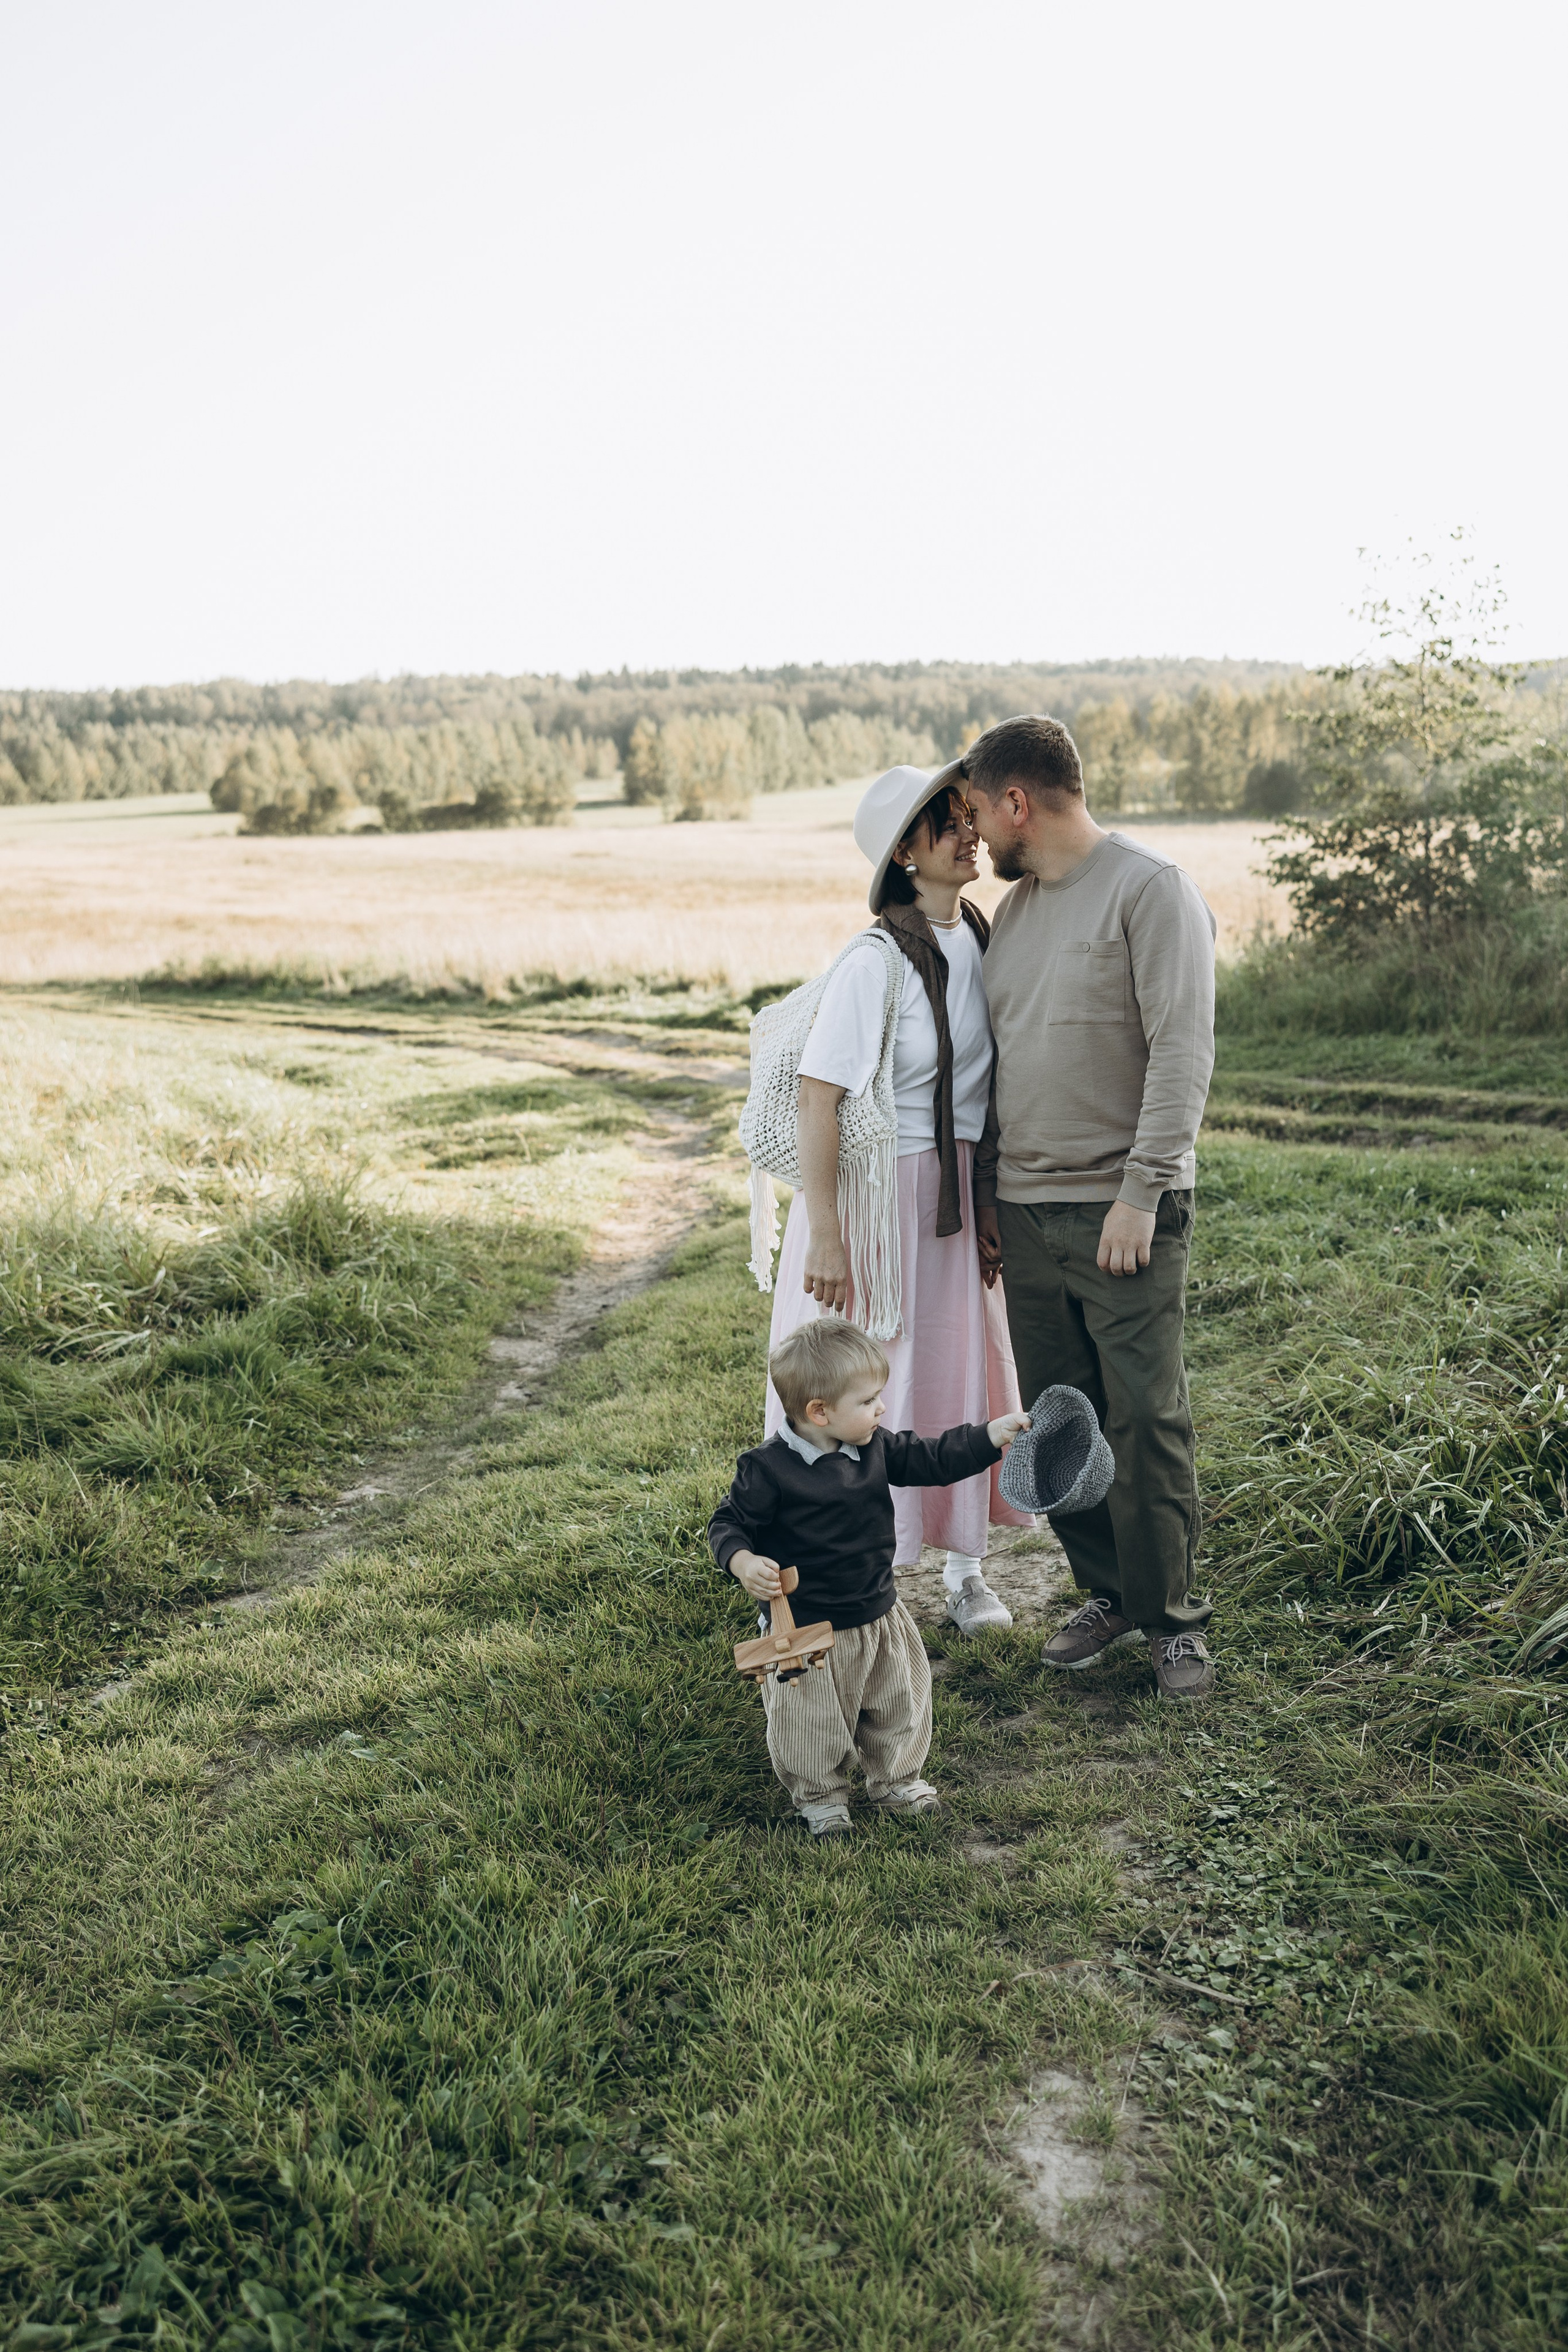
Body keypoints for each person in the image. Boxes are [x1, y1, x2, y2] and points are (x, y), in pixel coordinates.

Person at [954, 714, 1219, 1700]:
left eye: (981, 809)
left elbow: (1183, 1052)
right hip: (1024, 1217)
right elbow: (997, 1071)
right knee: (1062, 1423)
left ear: (1018, 800)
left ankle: (1175, 1622)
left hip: (1123, 1214)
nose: (978, 834)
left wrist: (1140, 1192)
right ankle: (1108, 1591)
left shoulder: (1151, 890)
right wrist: (989, 1196)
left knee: (1145, 1419)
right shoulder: (1014, 915)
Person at [763, 764, 1034, 1634]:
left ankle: (964, 1572)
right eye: (948, 822)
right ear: (907, 856)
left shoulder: (983, 939)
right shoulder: (875, 962)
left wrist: (987, 1193)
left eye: (969, 815)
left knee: (958, 1376)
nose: (972, 832)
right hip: (877, 1205)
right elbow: (819, 1096)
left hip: (953, 1196)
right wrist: (830, 1237)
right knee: (864, 1380)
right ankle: (827, 1572)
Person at [709, 1318, 1027, 1837]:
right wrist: (743, 1562)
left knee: (896, 1700)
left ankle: (896, 1780)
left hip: (877, 1609)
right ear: (820, 1412)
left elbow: (934, 1458)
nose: (881, 1409)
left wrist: (991, 1435)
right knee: (809, 1719)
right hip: (807, 1626)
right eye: (868, 1401)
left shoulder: (874, 1446)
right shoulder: (767, 1469)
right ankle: (822, 1797)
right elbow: (728, 1524)